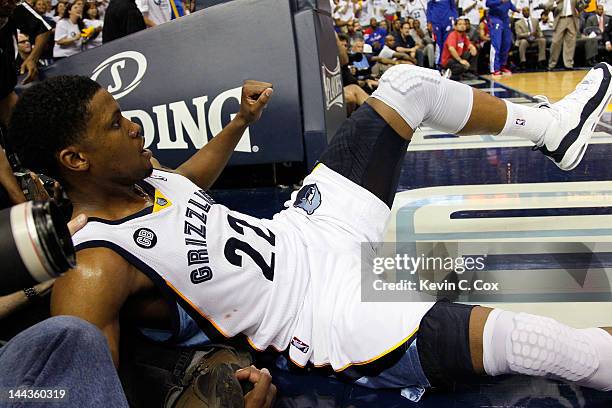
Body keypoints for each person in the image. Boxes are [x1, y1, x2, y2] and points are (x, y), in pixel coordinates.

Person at [7, 63, 612, 403]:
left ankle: (554, 128)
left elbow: (190, 179)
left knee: (406, 88)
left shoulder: (143, 179)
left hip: (307, 230)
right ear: (75, 159)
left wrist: (241, 121)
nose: (134, 127)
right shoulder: (93, 271)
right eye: (115, 125)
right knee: (526, 339)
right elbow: (96, 391)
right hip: (321, 316)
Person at [0, 0, 51, 126]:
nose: (10, 4)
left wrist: (32, 58)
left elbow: (43, 29)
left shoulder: (14, 8)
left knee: (18, 126)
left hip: (5, 81)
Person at [546, 0, 582, 69]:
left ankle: (568, 64)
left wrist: (585, 2)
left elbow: (579, 7)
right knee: (555, 41)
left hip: (572, 19)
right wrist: (556, 2)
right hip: (560, 19)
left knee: (570, 43)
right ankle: (552, 64)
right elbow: (547, 6)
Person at [486, 0, 516, 75]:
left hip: (505, 19)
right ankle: (494, 68)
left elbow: (510, 5)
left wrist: (516, 9)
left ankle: (502, 66)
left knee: (506, 43)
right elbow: (488, 3)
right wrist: (500, 1)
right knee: (496, 43)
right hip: (495, 18)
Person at [427, 0, 458, 65]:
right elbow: (429, 7)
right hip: (436, 22)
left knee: (446, 43)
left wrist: (455, 19)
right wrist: (429, 21)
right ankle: (438, 64)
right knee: (438, 43)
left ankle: (445, 63)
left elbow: (453, 7)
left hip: (447, 21)